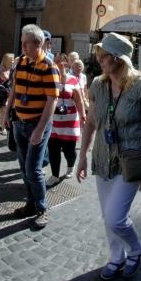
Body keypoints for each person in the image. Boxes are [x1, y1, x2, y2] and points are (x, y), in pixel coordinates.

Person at [76, 32, 141, 281]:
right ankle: (116, 257)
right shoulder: (98, 86)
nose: (99, 59)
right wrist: (82, 156)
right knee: (107, 217)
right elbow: (91, 123)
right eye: (100, 55)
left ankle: (135, 250)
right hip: (103, 159)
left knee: (115, 218)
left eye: (103, 55)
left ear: (118, 58)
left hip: (130, 162)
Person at [1, 24, 61, 228]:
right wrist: (6, 111)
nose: (22, 46)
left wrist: (40, 129)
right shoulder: (20, 63)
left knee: (33, 169)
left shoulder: (49, 66)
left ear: (38, 44)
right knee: (23, 168)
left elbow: (52, 100)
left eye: (25, 43)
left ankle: (43, 209)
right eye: (22, 43)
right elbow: (13, 91)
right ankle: (30, 204)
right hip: (19, 122)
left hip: (37, 124)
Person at [46, 52, 86, 183]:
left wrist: (83, 116)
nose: (58, 64)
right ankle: (55, 176)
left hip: (70, 122)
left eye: (60, 61)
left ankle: (70, 167)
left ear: (66, 63)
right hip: (53, 121)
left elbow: (79, 100)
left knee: (69, 150)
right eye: (55, 61)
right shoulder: (49, 79)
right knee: (53, 149)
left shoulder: (73, 79)